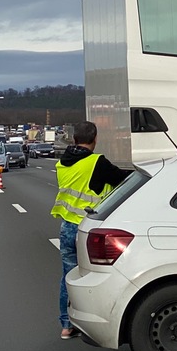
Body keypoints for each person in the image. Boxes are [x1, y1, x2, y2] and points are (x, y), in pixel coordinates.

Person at [52, 121, 129, 339]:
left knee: (68, 277)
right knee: (99, 277)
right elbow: (122, 179)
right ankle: (98, 322)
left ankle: (66, 326)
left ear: (74, 138)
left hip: (67, 227)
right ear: (94, 138)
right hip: (88, 228)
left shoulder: (62, 162)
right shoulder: (96, 162)